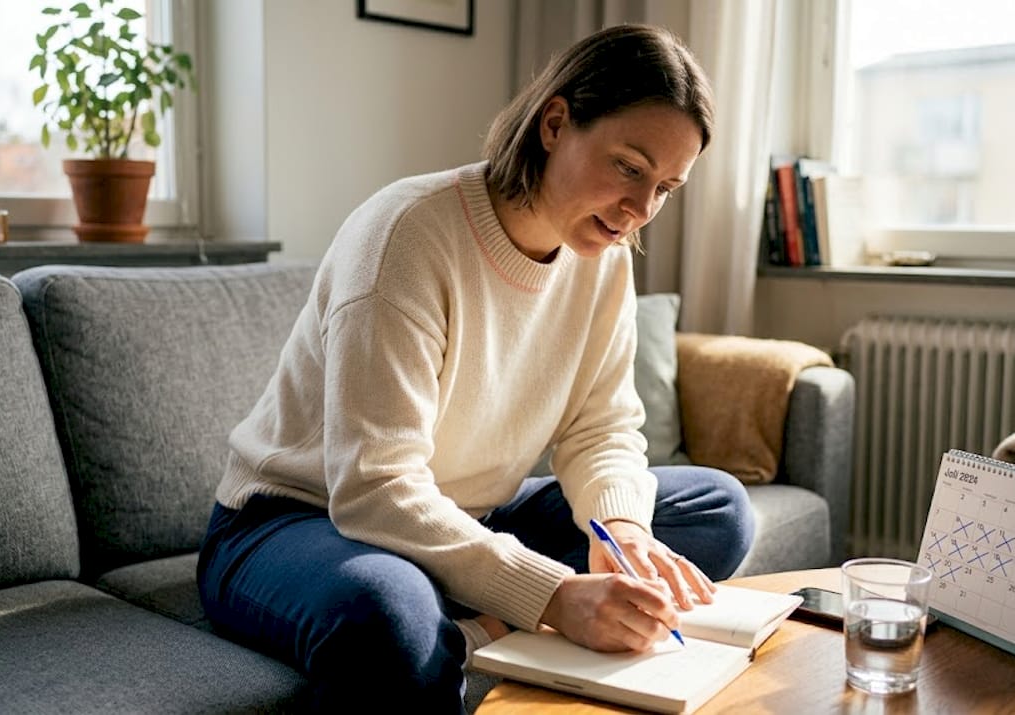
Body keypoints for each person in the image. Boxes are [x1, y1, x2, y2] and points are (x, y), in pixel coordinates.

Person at [197, 23, 755, 713]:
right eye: (629, 168)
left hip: (463, 511)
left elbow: (601, 428)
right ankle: (473, 621)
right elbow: (374, 486)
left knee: (718, 510)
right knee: (389, 617)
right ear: (555, 123)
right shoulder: (407, 235)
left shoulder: (603, 260)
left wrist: (622, 532)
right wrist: (552, 595)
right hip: (295, 522)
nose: (640, 212)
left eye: (666, 187)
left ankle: (477, 615)